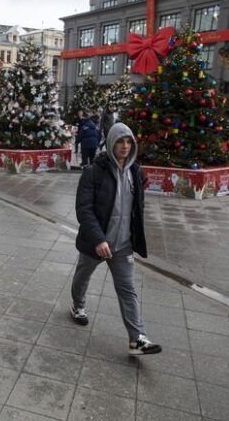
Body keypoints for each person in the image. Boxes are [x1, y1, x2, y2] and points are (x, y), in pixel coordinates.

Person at [70, 122, 162, 356]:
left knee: (128, 289)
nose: (125, 146)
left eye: (129, 141)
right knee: (83, 276)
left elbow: (135, 209)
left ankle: (137, 339)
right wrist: (99, 239)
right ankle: (78, 306)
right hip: (97, 242)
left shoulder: (135, 172)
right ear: (111, 143)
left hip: (122, 246)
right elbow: (84, 209)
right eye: (120, 141)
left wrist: (135, 237)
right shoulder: (94, 172)